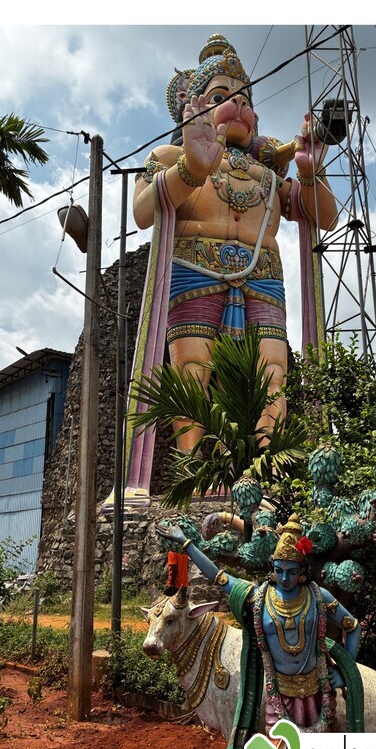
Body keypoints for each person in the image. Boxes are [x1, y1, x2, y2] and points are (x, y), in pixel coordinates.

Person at [118, 34, 338, 504]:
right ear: (190, 106)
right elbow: (141, 212)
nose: (237, 107)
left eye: (245, 100)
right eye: (221, 98)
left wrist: (311, 173)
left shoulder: (269, 174)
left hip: (262, 275)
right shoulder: (169, 158)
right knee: (193, 369)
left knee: (272, 371)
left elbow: (323, 216)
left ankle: (268, 468)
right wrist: (192, 169)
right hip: (193, 268)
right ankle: (200, 471)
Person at [157, 513, 362, 749]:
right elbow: (218, 577)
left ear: (303, 571)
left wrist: (344, 670)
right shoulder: (259, 597)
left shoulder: (317, 596)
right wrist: (187, 544)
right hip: (278, 695)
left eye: (291, 571)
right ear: (272, 568)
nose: (285, 577)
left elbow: (353, 626)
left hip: (316, 693)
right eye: (279, 570)